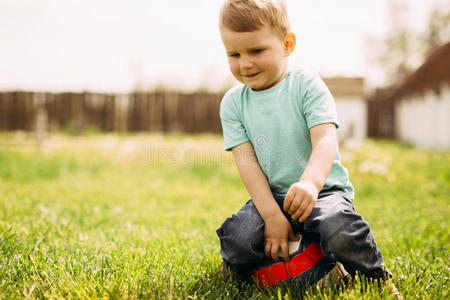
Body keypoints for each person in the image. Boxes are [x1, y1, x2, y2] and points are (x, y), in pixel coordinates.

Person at [215, 0, 401, 298]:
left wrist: (311, 183)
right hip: (272, 197)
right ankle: (241, 267)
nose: (245, 63)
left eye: (256, 51)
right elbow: (246, 162)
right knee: (239, 236)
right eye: (234, 54)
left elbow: (325, 139)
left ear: (287, 44)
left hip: (322, 192)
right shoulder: (234, 103)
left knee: (338, 226)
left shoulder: (306, 85)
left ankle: (373, 275)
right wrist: (272, 216)